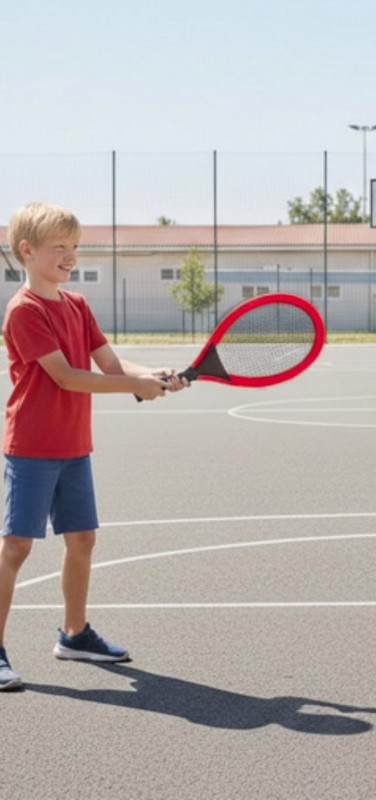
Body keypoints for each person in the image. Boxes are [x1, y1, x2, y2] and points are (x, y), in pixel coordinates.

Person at [0, 202, 188, 691]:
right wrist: (135, 388)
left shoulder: (78, 306)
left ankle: (75, 635)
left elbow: (108, 362)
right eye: (59, 248)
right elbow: (64, 376)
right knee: (16, 546)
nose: (70, 256)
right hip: (31, 446)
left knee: (82, 539)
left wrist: (152, 375)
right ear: (28, 251)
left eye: (74, 247)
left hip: (73, 446)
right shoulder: (24, 310)